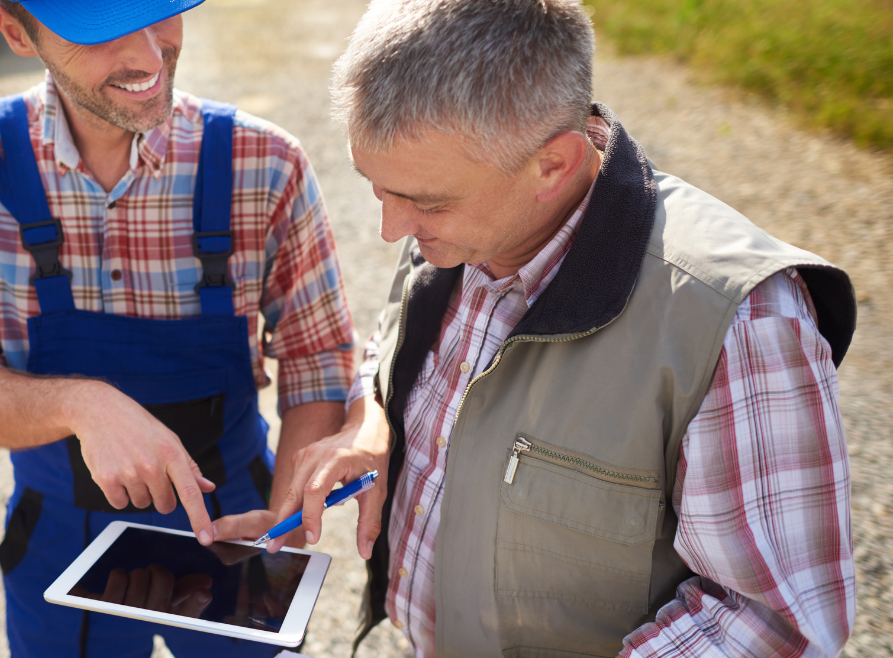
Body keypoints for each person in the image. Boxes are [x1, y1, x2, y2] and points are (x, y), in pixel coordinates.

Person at [211, 0, 858, 656]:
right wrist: (372, 417)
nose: (390, 229)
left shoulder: (738, 322)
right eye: (378, 190)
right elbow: (398, 344)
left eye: (424, 202)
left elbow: (774, 624)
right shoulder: (464, 220)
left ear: (551, 164)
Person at [0, 1, 356, 656]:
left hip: (233, 516)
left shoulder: (264, 163)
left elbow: (317, 362)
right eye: (99, 32)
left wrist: (282, 513)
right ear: (14, 31)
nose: (148, 57)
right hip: (57, 532)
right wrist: (80, 405)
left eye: (161, 11)